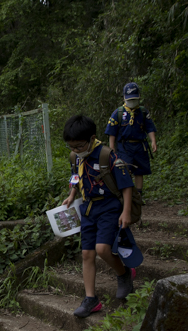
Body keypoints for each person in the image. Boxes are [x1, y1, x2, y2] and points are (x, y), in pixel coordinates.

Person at [62, 115, 135, 318]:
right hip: (88, 209)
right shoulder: (76, 157)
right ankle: (91, 299)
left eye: (78, 146)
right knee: (87, 254)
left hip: (109, 208)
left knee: (102, 249)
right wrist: (71, 195)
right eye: (71, 147)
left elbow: (127, 185)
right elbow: (75, 177)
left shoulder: (107, 155)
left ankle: (123, 274)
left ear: (92, 138)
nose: (75, 150)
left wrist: (126, 212)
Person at [105, 82, 157, 203]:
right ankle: (127, 195)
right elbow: (112, 132)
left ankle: (138, 195)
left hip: (140, 145)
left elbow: (149, 127)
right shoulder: (118, 113)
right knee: (124, 169)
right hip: (124, 146)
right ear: (124, 98)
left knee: (140, 170)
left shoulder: (143, 112)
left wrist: (153, 141)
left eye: (134, 99)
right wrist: (111, 148)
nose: (132, 101)